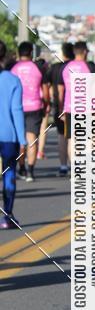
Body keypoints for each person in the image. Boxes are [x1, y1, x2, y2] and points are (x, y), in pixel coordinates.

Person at [10, 41, 49, 182]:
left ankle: (22, 168)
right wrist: (46, 104)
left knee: (21, 139)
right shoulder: (38, 68)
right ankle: (31, 171)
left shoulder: (13, 68)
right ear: (31, 53)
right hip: (34, 107)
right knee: (32, 139)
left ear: (19, 53)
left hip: (16, 108)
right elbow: (45, 89)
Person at [0, 41, 26, 228]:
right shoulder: (13, 80)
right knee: (9, 174)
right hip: (8, 136)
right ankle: (7, 216)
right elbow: (17, 111)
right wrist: (22, 139)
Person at [58, 41, 91, 163]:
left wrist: (61, 109)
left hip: (69, 108)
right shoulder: (89, 67)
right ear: (85, 52)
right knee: (87, 139)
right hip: (86, 109)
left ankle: (74, 167)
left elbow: (61, 90)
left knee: (72, 139)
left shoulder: (65, 68)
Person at [48, 42, 74, 176]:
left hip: (61, 106)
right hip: (79, 107)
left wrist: (57, 107)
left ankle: (63, 166)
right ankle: (76, 166)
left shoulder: (56, 68)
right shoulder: (80, 66)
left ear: (63, 53)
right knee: (76, 138)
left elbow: (53, 88)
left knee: (62, 136)